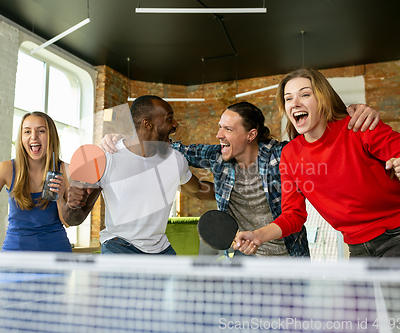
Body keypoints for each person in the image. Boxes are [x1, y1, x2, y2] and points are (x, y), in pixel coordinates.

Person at [102, 100, 380, 257]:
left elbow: (319, 143)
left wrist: (352, 114)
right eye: (219, 128)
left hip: (288, 256)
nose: (219, 135)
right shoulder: (217, 157)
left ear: (251, 134)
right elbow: (163, 145)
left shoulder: (283, 155)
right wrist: (121, 140)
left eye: (227, 129)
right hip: (244, 258)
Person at [234, 67, 400, 258]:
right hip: (357, 246)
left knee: (394, 291)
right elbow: (293, 215)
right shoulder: (290, 155)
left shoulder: (358, 126)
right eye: (288, 98)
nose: (295, 103)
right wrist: (258, 235)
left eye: (305, 95)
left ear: (322, 99)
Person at [62, 95, 215, 255]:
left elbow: (197, 190)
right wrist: (72, 205)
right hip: (119, 246)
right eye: (169, 119)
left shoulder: (176, 160)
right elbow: (74, 218)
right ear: (147, 124)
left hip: (161, 249)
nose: (175, 124)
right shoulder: (109, 156)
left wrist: (236, 193)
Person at [0, 111, 72, 252]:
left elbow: (68, 223)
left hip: (56, 255)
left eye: (41, 131)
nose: (33, 136)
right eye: (27, 131)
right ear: (21, 137)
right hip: (15, 255)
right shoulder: (6, 169)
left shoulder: (65, 171)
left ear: (51, 136)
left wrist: (60, 199)